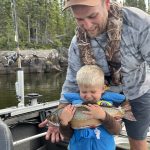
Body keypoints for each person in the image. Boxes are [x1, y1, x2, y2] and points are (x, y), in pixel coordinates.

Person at [39, 0, 150, 150]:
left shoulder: (139, 23)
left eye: (92, 16)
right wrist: (57, 119)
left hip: (138, 90)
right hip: (98, 96)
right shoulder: (76, 44)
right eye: (79, 19)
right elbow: (72, 81)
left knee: (137, 141)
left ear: (106, 3)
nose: (87, 25)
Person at [59, 65, 122, 150]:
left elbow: (116, 131)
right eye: (84, 92)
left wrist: (104, 116)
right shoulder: (72, 109)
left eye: (93, 91)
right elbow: (67, 136)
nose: (88, 96)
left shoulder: (109, 107)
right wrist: (64, 123)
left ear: (103, 89)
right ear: (79, 89)